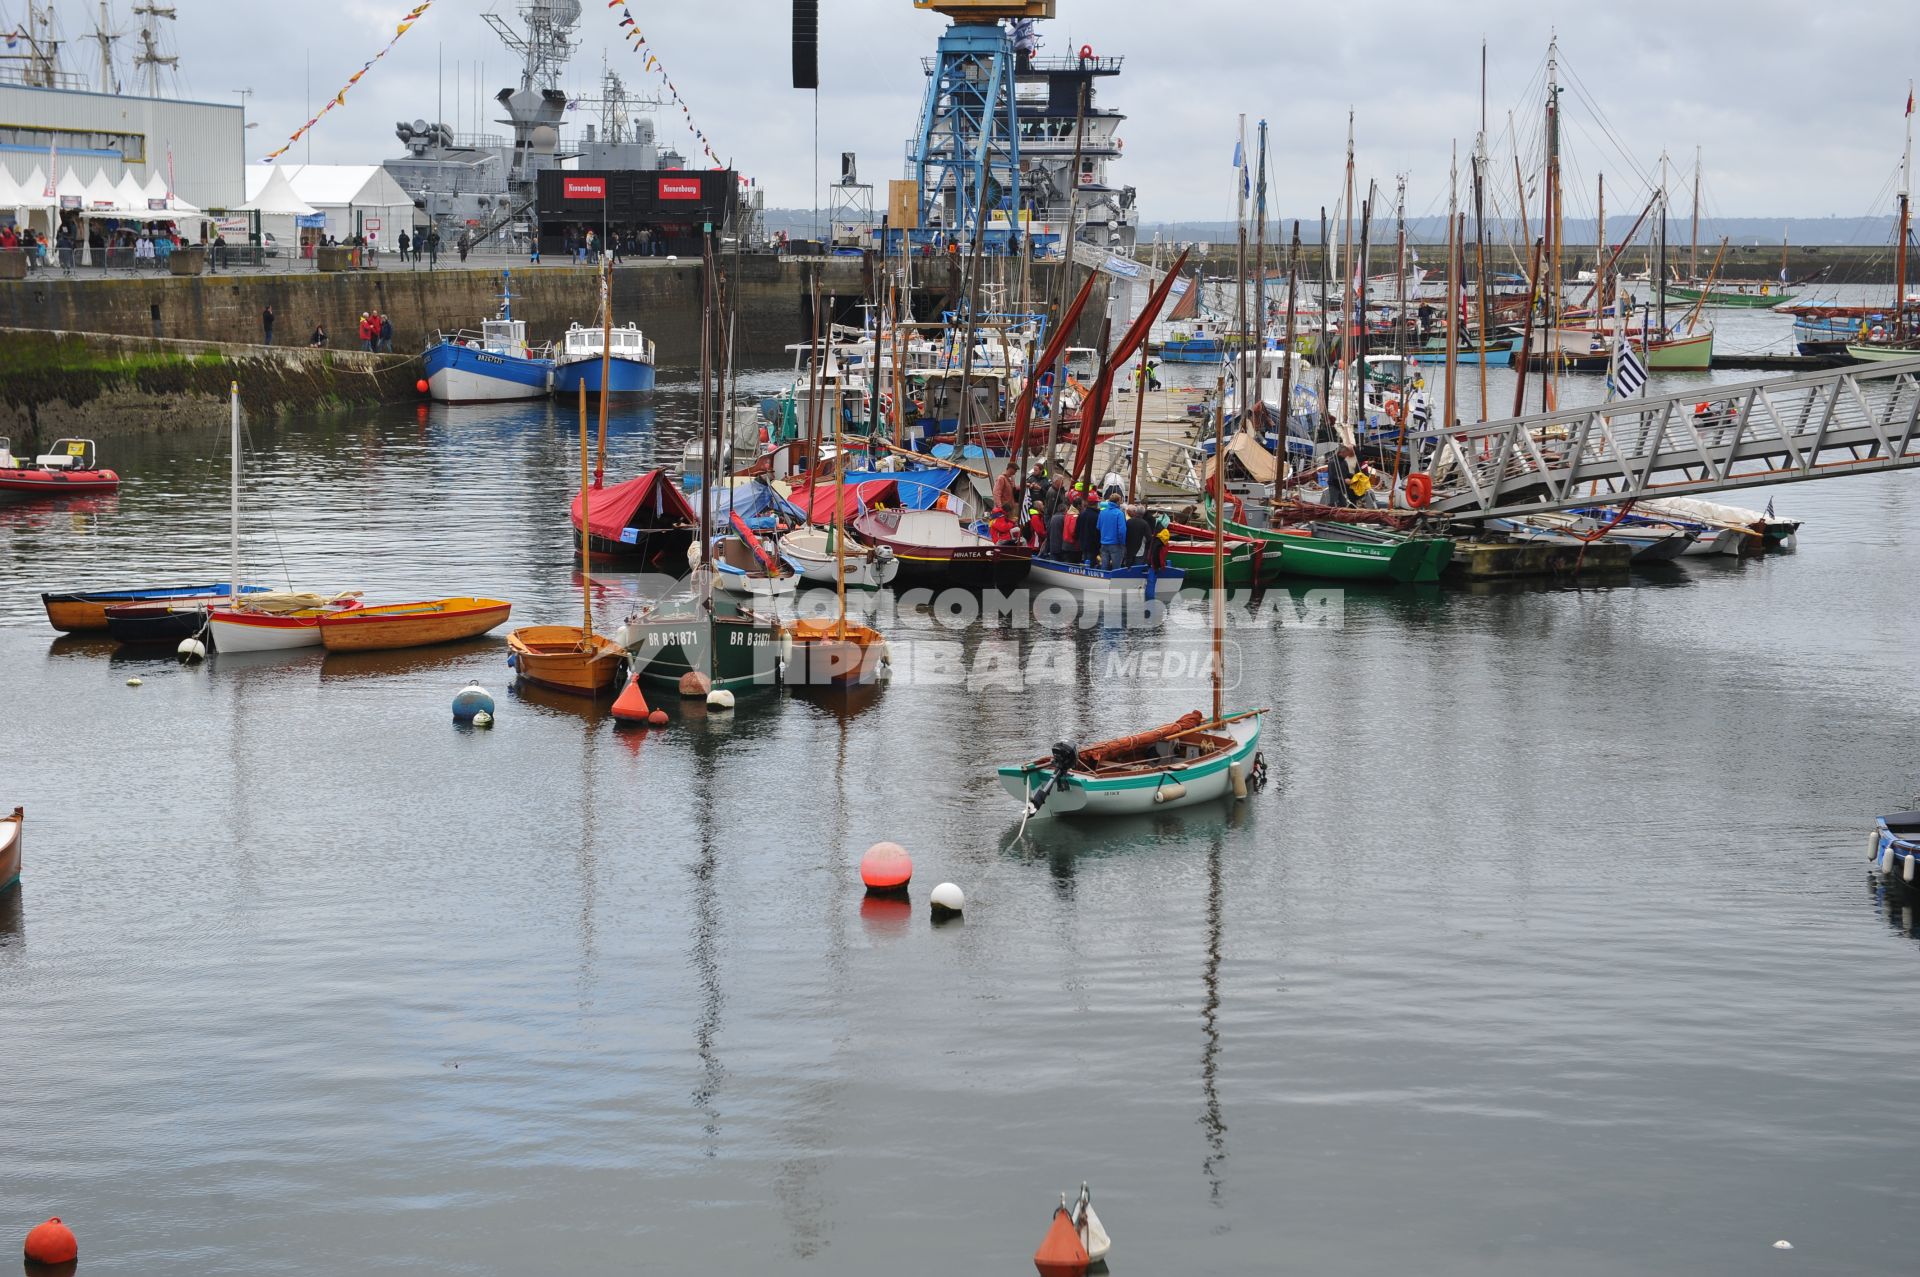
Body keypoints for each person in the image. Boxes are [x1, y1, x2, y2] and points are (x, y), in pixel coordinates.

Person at [1096, 493, 1128, 570]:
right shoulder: (1119, 513)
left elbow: (1098, 527)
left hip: (1104, 543)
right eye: (1120, 501)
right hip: (1116, 544)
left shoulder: (1102, 512)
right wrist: (1122, 543)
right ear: (1117, 502)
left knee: (1104, 566)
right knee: (1116, 568)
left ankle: (1103, 580)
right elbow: (1122, 531)